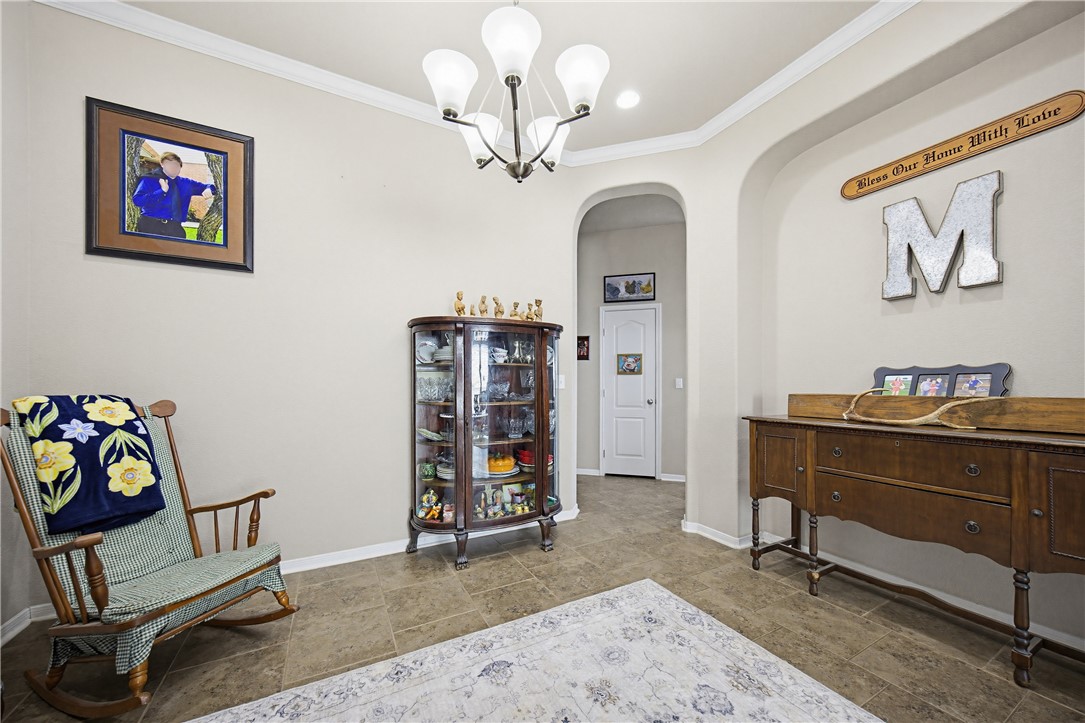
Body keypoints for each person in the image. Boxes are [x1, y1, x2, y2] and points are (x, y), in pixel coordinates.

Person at [131, 152, 215, 239]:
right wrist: (162, 191)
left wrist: (209, 189)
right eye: (169, 165)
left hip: (175, 229)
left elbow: (209, 187)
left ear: (180, 167)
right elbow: (138, 200)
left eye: (176, 165)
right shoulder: (149, 180)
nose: (173, 168)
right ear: (162, 164)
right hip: (150, 226)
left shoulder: (186, 183)